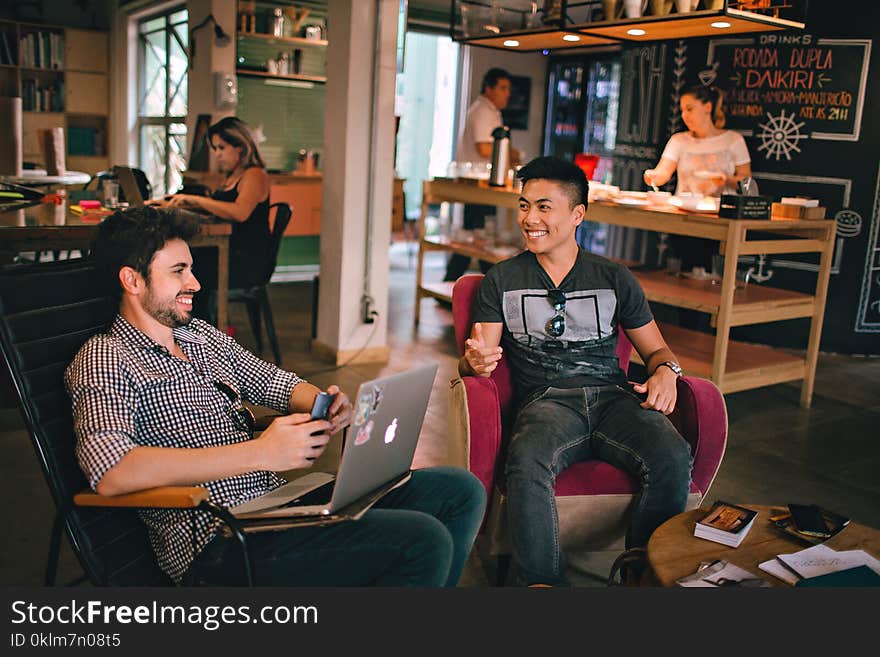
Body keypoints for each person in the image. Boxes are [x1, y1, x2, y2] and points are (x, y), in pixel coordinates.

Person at [65, 206, 486, 586]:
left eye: (190, 268)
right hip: (219, 542)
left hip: (279, 509)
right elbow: (111, 471)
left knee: (459, 491)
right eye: (178, 271)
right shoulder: (106, 357)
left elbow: (277, 383)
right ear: (132, 280)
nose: (194, 282)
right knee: (422, 541)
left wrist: (324, 404)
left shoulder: (199, 337)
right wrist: (260, 453)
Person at [459, 156, 692, 586]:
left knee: (672, 455)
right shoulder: (502, 279)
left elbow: (657, 350)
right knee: (527, 459)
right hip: (546, 402)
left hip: (614, 398)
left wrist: (667, 372)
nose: (530, 219)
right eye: (524, 206)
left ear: (577, 214)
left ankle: (643, 579)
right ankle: (541, 585)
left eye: (544, 207)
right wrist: (473, 363)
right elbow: (480, 354)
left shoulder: (614, 277)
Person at [148, 116, 273, 323]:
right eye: (215, 148)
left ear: (240, 147)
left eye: (221, 148)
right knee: (180, 264)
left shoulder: (255, 175)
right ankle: (184, 328)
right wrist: (180, 203)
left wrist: (194, 199)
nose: (217, 155)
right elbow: (222, 208)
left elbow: (240, 212)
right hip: (231, 250)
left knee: (183, 270)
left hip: (246, 260)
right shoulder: (233, 175)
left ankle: (195, 331)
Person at [644, 84, 752, 272]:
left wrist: (725, 179)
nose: (685, 115)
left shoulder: (733, 140)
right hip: (684, 218)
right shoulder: (679, 140)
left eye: (690, 109)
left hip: (719, 219)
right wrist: (652, 176)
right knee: (682, 274)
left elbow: (746, 183)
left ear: (708, 107)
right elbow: (662, 174)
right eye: (682, 110)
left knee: (713, 276)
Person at [444, 68, 522, 283]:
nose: (507, 93)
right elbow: (485, 149)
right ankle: (456, 285)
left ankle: (463, 285)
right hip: (478, 185)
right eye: (503, 88)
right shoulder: (482, 111)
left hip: (484, 185)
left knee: (479, 239)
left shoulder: (491, 111)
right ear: (489, 89)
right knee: (478, 240)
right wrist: (512, 153)